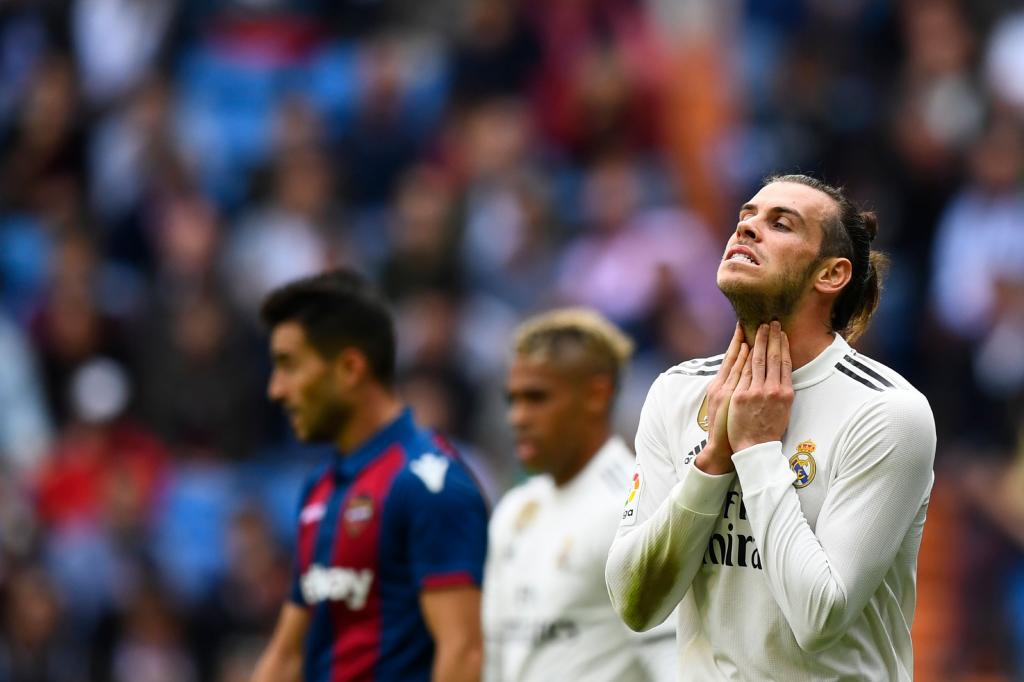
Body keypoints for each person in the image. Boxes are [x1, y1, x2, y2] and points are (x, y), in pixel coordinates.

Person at [605, 175, 936, 681]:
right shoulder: (677, 392)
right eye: (746, 217)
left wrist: (757, 449)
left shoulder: (886, 411)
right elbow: (634, 604)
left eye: (781, 224)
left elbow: (819, 618)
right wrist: (713, 460)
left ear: (831, 274)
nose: (747, 229)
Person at [250, 269, 488, 682]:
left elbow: (464, 653)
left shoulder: (429, 485)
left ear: (350, 368)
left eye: (290, 366)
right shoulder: (320, 487)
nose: (276, 389)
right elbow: (287, 656)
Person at [484, 308, 676, 682]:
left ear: (596, 395)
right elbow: (493, 658)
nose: (517, 417)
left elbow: (672, 661)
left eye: (536, 398)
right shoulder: (514, 509)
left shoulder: (635, 507)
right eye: (513, 400)